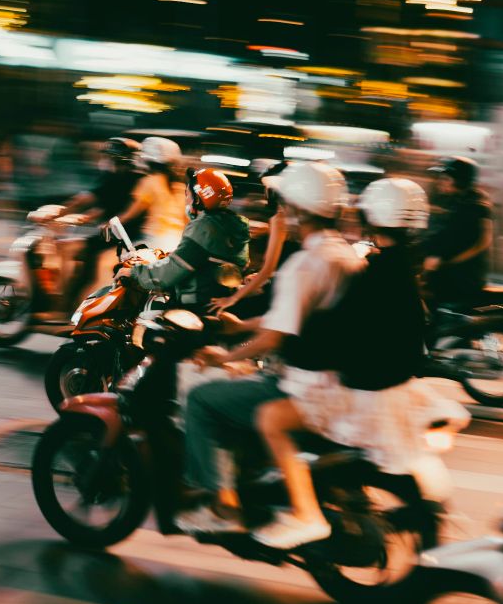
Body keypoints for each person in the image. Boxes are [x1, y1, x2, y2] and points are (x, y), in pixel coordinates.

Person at [250, 178, 469, 548]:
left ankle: (305, 515)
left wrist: (289, 344)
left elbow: (339, 333)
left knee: (270, 419)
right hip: (394, 388)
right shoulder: (405, 264)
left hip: (364, 395)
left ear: (369, 217)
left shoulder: (373, 273)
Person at [173, 161, 363, 534]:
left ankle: (224, 508)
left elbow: (274, 337)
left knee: (201, 399)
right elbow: (295, 317)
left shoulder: (304, 265)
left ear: (297, 209)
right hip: (337, 379)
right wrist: (242, 327)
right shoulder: (345, 255)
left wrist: (225, 357)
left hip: (302, 385)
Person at [124, 168, 250, 312]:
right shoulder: (235, 226)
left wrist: (134, 273)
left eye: (187, 194)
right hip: (218, 303)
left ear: (198, 199)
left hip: (197, 306)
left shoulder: (204, 227)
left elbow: (169, 272)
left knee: (145, 317)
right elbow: (203, 262)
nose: (186, 200)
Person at [44, 137, 145, 309]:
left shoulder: (117, 178)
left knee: (68, 249)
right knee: (70, 248)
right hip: (118, 236)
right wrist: (83, 218)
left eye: (108, 157)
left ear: (118, 159)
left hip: (118, 239)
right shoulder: (135, 179)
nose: (104, 161)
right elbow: (109, 205)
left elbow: (84, 200)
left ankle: (64, 301)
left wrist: (55, 214)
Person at [208, 160, 296, 316]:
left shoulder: (280, 219)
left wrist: (232, 299)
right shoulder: (298, 219)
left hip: (280, 292)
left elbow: (268, 269)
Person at [422, 156, 493, 305]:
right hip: (446, 271)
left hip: (463, 277)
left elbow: (474, 241)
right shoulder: (450, 200)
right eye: (441, 178)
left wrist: (442, 260)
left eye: (446, 179)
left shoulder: (475, 206)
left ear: (461, 181)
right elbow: (436, 232)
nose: (440, 182)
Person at [110, 137, 187, 251]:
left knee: (107, 258)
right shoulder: (181, 187)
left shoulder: (149, 182)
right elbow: (186, 219)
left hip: (154, 241)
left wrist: (110, 224)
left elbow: (131, 214)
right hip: (177, 242)